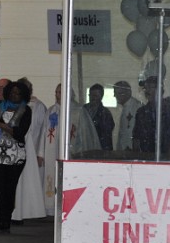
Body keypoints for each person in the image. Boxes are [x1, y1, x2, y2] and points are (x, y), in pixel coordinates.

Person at [0, 80, 32, 235]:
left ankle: (6, 221)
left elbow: (19, 133)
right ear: (8, 93)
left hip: (16, 157)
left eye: (18, 93)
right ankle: (0, 223)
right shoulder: (0, 105)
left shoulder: (26, 110)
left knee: (10, 190)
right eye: (12, 92)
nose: (15, 95)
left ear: (24, 95)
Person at [41, 84, 101, 215]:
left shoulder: (78, 111)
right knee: (52, 177)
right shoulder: (51, 111)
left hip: (71, 152)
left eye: (60, 92)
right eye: (56, 92)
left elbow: (84, 134)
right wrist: (41, 153)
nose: (57, 95)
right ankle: (51, 208)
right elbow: (44, 133)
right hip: (52, 151)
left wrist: (82, 152)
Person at [10, 77, 48, 222]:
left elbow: (43, 131)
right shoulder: (12, 106)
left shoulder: (39, 107)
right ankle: (15, 212)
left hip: (32, 149)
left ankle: (28, 211)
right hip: (15, 148)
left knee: (29, 182)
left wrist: (40, 153)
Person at [132, 76, 170, 157]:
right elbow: (136, 137)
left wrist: (167, 157)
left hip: (167, 158)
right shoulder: (141, 112)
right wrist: (138, 157)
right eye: (145, 88)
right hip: (147, 158)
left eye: (150, 87)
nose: (147, 91)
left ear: (160, 90)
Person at [113, 80, 142, 152]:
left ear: (128, 93)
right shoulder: (125, 107)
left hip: (131, 151)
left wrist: (129, 147)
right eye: (115, 93)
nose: (115, 96)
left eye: (118, 93)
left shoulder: (137, 107)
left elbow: (133, 132)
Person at [85, 83, 115, 151]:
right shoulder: (83, 109)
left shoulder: (106, 114)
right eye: (91, 95)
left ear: (101, 97)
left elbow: (106, 137)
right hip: (85, 146)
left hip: (99, 148)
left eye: (95, 96)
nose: (93, 98)